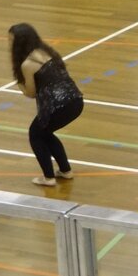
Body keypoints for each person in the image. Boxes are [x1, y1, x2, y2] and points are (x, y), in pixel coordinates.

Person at [9, 23, 84, 187]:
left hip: (58, 106)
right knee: (45, 132)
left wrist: (19, 82)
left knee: (35, 134)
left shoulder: (28, 64)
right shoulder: (47, 52)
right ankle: (65, 170)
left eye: (12, 41)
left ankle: (48, 177)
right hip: (76, 101)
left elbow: (31, 93)